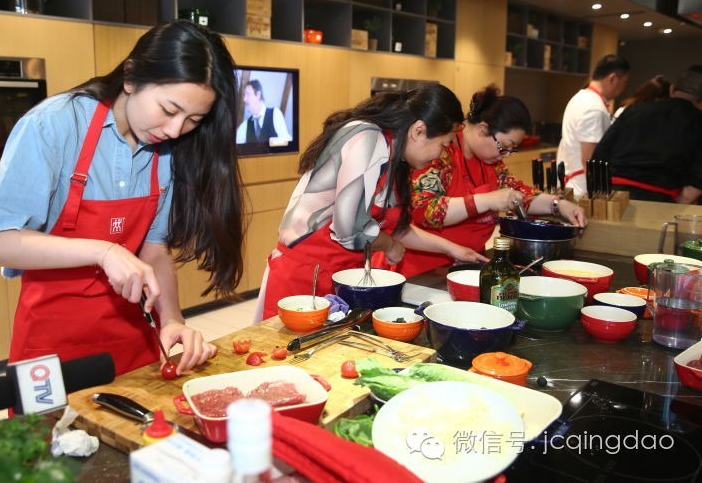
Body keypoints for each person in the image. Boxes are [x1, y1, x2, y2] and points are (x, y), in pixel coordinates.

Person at [0, 20, 244, 376]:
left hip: (132, 337)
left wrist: (172, 319)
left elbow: (154, 249)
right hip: (53, 342)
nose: (176, 130)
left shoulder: (165, 146)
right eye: (168, 110)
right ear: (131, 78)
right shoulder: (54, 125)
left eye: (194, 119)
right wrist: (104, 251)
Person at [255, 84, 488, 320]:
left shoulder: (394, 155)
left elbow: (395, 228)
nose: (441, 155)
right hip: (304, 277)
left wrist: (453, 249)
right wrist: (388, 245)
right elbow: (349, 230)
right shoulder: (367, 138)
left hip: (338, 277)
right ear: (418, 130)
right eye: (444, 144)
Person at [382, 85, 587, 277]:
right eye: (504, 146)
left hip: (466, 264)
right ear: (482, 129)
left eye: (510, 149)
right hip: (423, 271)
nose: (505, 155)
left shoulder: (491, 161)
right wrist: (487, 200)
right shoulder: (441, 149)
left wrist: (558, 205)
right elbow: (427, 211)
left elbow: (518, 195)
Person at [592, 65, 702, 204]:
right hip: (661, 199)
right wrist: (677, 204)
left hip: (614, 194)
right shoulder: (698, 122)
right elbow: (697, 181)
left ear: (672, 89)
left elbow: (600, 154)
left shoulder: (634, 110)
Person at [557, 54, 631, 198]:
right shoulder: (594, 108)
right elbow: (590, 160)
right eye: (625, 82)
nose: (624, 87)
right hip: (583, 188)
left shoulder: (581, 97)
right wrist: (600, 194)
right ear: (613, 78)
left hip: (574, 183)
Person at [235, 79, 292, 145]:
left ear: (258, 95)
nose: (244, 99)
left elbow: (287, 140)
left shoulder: (275, 113)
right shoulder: (245, 125)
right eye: (244, 95)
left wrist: (269, 144)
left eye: (247, 94)